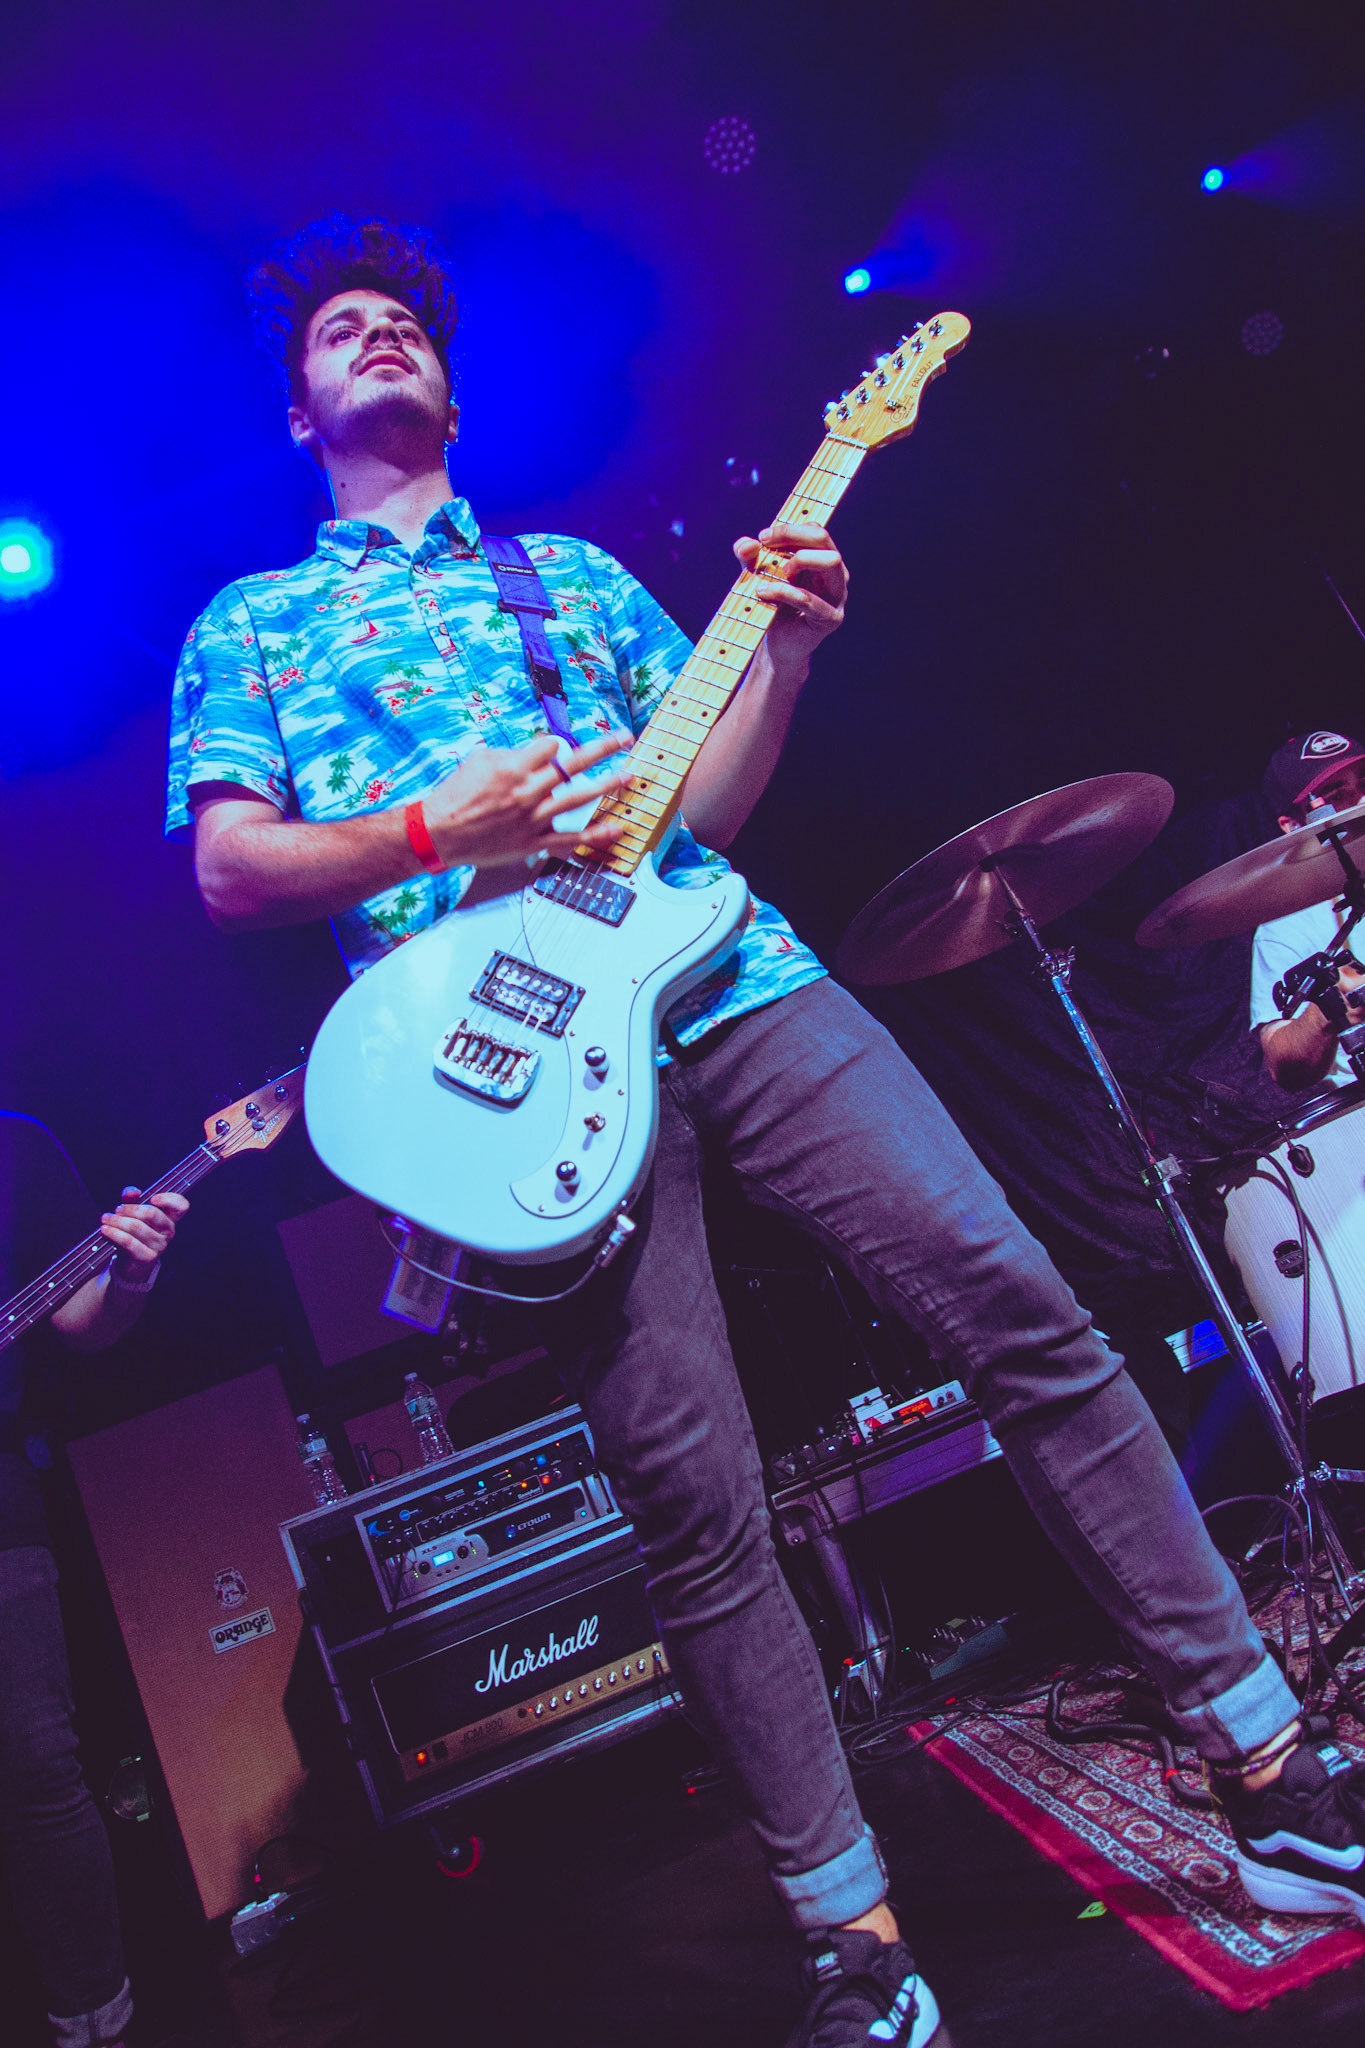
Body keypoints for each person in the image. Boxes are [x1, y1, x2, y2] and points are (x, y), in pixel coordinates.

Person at [165, 216, 1365, 2046]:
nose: (377, 336)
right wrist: (433, 832)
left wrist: (785, 662)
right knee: (696, 1502)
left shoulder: (569, 576)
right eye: (340, 329)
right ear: (299, 410)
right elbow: (231, 868)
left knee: (1025, 1310)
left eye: (403, 320)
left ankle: (1267, 1764)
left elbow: (699, 804)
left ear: (453, 391)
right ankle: (850, 1935)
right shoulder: (253, 623)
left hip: (737, 980)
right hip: (517, 1077)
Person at [0, 1113, 187, 2048]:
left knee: (37, 1760)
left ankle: (95, 2022)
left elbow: (80, 1318)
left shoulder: (18, 1149)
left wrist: (134, 1274)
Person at [1253, 730, 1365, 1092]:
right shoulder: (1288, 926)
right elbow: (1283, 1066)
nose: (1363, 800)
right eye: (1336, 796)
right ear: (1294, 827)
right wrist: (1333, 1007)